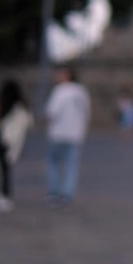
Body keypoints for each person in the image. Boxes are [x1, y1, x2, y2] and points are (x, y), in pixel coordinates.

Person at [0, 79, 33, 212]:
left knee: (3, 168)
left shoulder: (2, 103)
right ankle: (4, 194)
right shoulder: (22, 106)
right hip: (13, 141)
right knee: (6, 168)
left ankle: (3, 194)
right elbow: (28, 122)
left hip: (0, 139)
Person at [45, 65, 91, 206]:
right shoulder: (82, 92)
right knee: (71, 165)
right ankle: (67, 193)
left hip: (58, 133)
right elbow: (87, 113)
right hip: (75, 134)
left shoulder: (60, 91)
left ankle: (53, 192)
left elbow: (51, 112)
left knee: (53, 163)